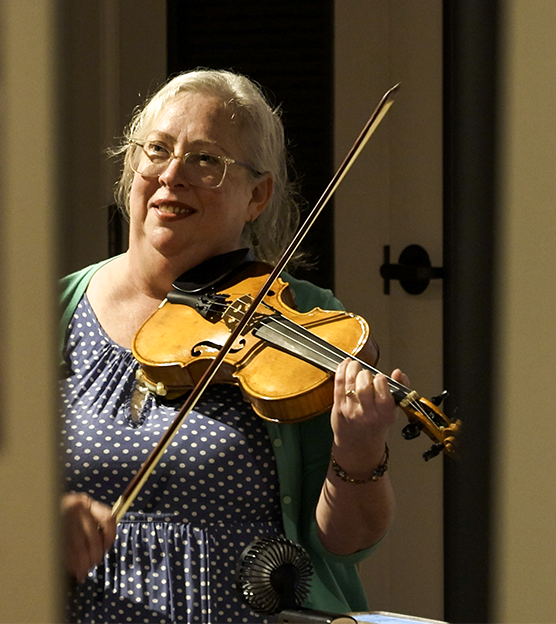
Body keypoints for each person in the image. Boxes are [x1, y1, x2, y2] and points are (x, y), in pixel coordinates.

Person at [58, 69, 405, 623]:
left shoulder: (303, 323)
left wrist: (360, 450)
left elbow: (345, 543)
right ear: (131, 170)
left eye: (206, 160)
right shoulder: (54, 315)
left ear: (257, 196)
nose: (173, 175)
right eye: (158, 150)